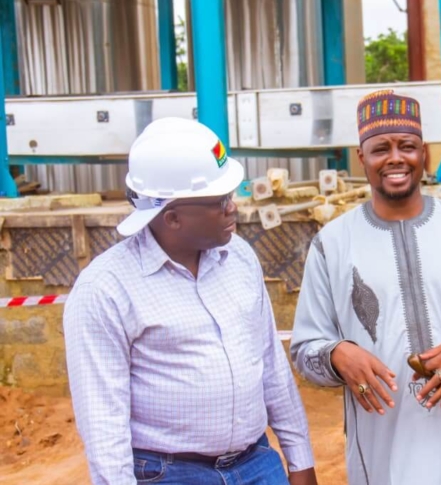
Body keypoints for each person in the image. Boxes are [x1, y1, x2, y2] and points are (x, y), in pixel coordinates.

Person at [289, 90, 441, 485]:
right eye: (380, 148)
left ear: (426, 154)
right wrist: (338, 355)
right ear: (361, 158)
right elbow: (305, 350)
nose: (395, 158)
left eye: (407, 146)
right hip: (385, 455)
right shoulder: (331, 244)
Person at [63, 118, 318, 485]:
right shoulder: (105, 290)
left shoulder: (240, 257)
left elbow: (271, 366)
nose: (234, 208)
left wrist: (300, 462)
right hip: (168, 474)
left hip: (256, 464)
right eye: (220, 201)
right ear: (173, 217)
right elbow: (103, 424)